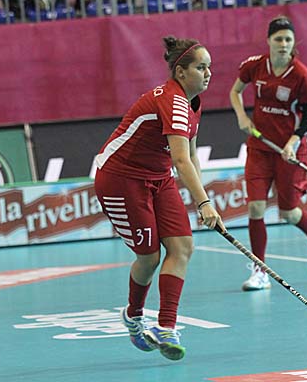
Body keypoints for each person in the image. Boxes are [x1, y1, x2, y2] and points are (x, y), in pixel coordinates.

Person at [94, 36, 224, 361]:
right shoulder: (173, 101)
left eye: (209, 67)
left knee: (183, 247)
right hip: (121, 179)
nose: (208, 73)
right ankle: (133, 315)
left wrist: (202, 199)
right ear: (181, 72)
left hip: (158, 177)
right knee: (149, 257)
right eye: (201, 67)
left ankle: (166, 327)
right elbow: (180, 160)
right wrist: (204, 203)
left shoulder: (193, 102)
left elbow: (190, 156)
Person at [229, 16, 307, 291]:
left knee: (288, 212)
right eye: (279, 39)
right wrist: (242, 116)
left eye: (288, 39)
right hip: (259, 147)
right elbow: (235, 91)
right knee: (255, 207)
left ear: (293, 42)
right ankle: (259, 271)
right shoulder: (254, 66)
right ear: (269, 41)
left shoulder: (301, 74)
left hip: (288, 149)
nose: (284, 44)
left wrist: (292, 143)